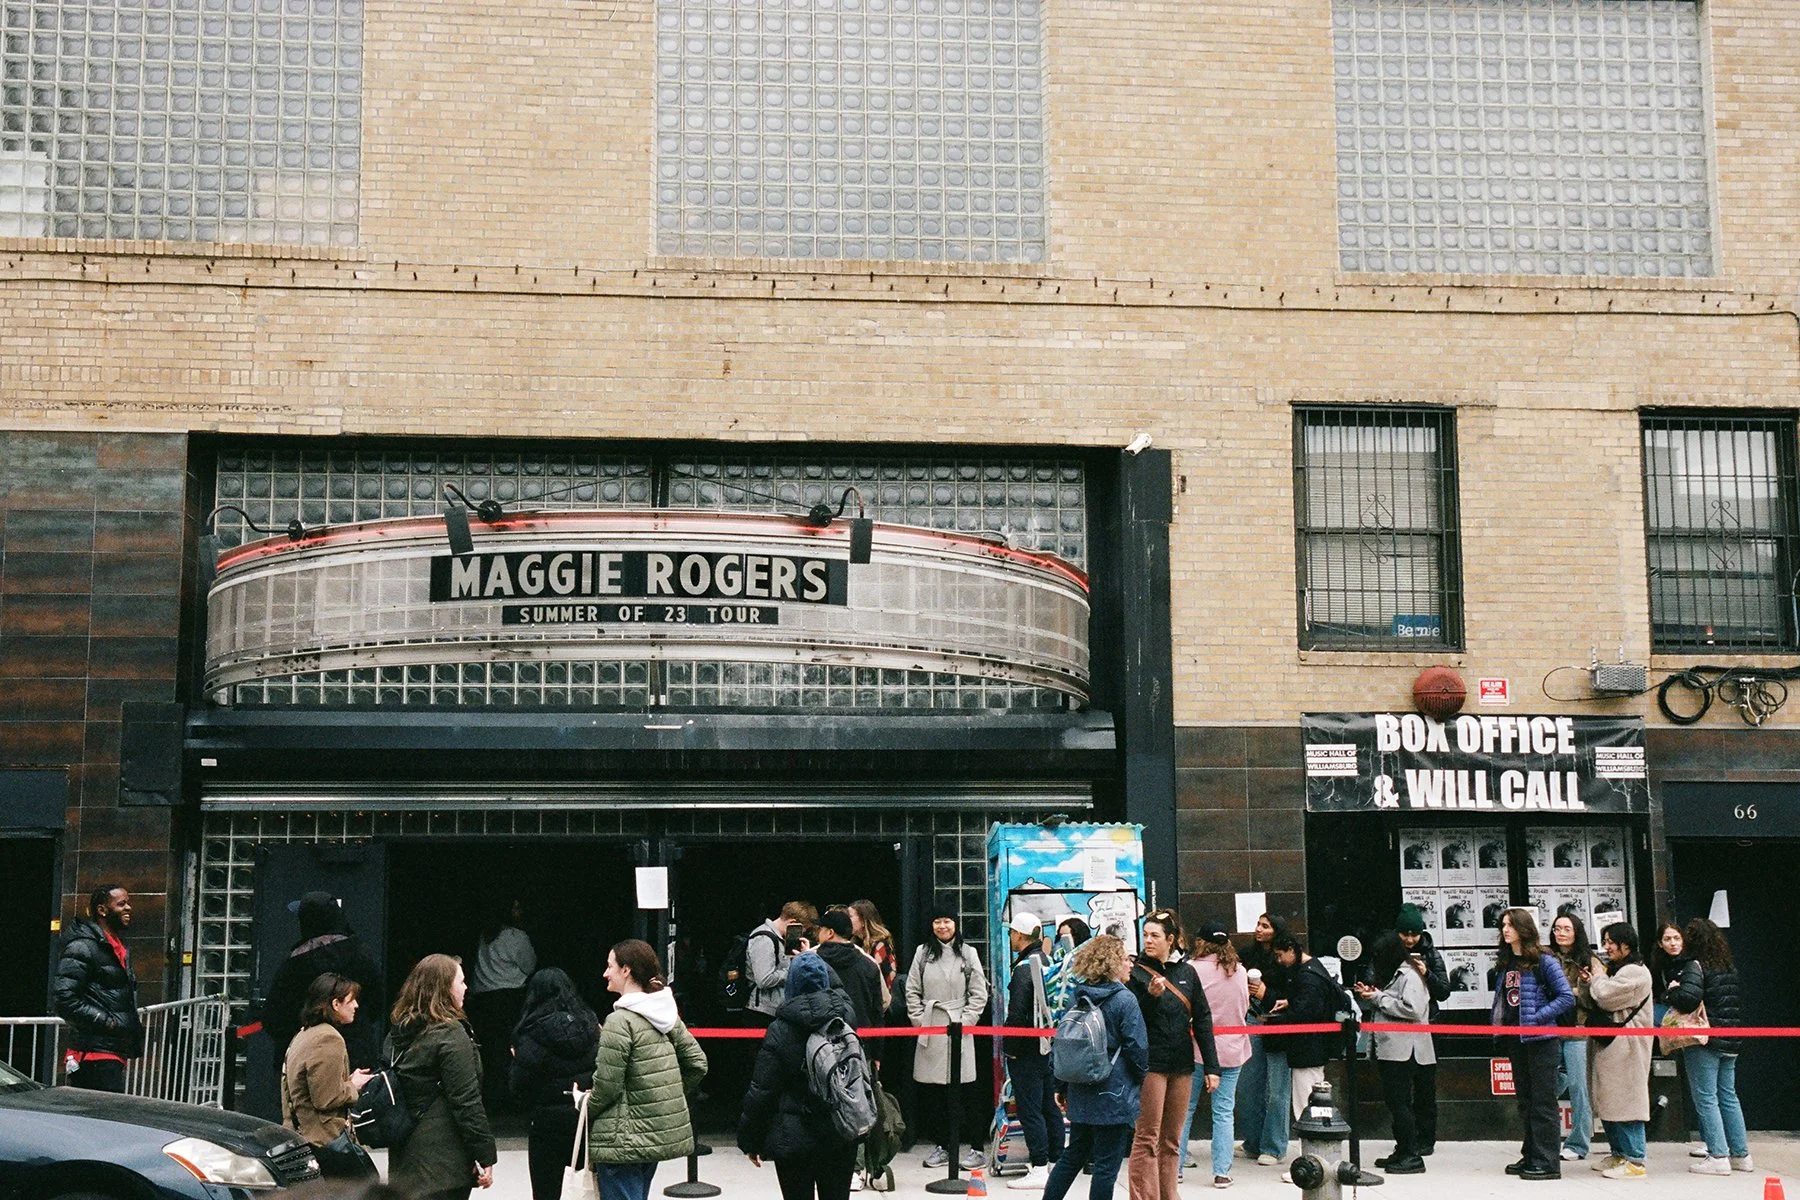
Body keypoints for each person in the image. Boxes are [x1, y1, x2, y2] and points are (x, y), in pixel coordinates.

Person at [589, 939, 708, 1200]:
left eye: (610, 966)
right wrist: (660, 1096)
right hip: (651, 1134)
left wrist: (584, 1108)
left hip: (620, 1138)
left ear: (626, 970)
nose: (605, 973)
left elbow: (607, 1086)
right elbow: (698, 1063)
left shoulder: (619, 1021)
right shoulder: (666, 1013)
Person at [739, 952, 861, 1200]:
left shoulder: (780, 1029)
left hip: (792, 1136)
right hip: (838, 1129)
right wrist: (816, 958)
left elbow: (762, 1090)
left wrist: (750, 1140)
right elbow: (837, 989)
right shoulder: (845, 1017)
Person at [1040, 935, 1148, 1200]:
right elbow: (1138, 1048)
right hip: (1114, 1091)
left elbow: (1064, 1044)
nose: (1130, 965)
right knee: (1106, 1167)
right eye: (1125, 959)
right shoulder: (1125, 1000)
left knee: (1073, 1155)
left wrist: (1061, 1086)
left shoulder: (1078, 998)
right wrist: (1139, 1079)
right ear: (1112, 964)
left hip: (1080, 1088)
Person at [1125, 909, 1219, 1200]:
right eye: (1145, 935)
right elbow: (1132, 1019)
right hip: (1150, 1063)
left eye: (1155, 935)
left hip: (1182, 1064)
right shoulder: (1136, 972)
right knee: (1147, 1137)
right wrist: (1150, 997)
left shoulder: (1187, 972)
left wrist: (1212, 1066)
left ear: (1172, 939)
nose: (1148, 941)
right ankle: (1144, 1196)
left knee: (1172, 1140)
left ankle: (1170, 1194)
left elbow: (1202, 1019)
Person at [386, 954, 498, 1200]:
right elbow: (466, 1100)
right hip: (444, 1164)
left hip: (405, 1161)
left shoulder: (398, 1033)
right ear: (444, 989)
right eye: (461, 981)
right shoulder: (450, 1034)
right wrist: (485, 1153)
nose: (466, 987)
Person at [905, 899, 990, 1171]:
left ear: (956, 924)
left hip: (959, 1027)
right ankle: (942, 1145)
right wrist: (920, 1020)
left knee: (966, 1090)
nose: (943, 926)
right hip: (932, 1026)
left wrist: (965, 1021)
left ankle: (976, 1147)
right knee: (934, 1093)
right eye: (938, 921)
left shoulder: (968, 953)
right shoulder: (922, 952)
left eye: (947, 921)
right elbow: (912, 990)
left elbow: (979, 993)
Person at [1492, 907, 1575, 1182]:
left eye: (1511, 925)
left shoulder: (1544, 960)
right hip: (1516, 1039)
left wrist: (1537, 1018)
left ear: (1524, 929)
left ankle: (1548, 1161)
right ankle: (1530, 1154)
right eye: (1503, 925)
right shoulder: (1506, 963)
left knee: (1543, 1102)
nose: (1505, 930)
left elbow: (1566, 997)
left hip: (1541, 1040)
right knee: (1526, 1101)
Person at [263, 891, 387, 1072]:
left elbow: (274, 1020)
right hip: (356, 1056)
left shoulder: (294, 965)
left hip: (305, 1059)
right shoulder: (360, 955)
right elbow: (376, 1004)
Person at [1669, 918, 1751, 1176]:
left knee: (1706, 1098)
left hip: (1704, 1039)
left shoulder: (1695, 966)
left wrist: (1673, 990)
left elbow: (1688, 999)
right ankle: (1741, 1154)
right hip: (1730, 1037)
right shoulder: (1727, 966)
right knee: (1728, 1095)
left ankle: (1718, 1155)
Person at [510, 968, 601, 1200]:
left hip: (546, 1122)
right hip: (586, 1117)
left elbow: (519, 1085)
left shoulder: (531, 1031)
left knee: (545, 1191)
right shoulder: (592, 1025)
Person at [1258, 928, 1342, 1174]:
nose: (1278, 960)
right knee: (1309, 1104)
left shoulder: (1308, 978)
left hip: (1308, 1049)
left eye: (1280, 954)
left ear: (1292, 951)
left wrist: (1273, 1021)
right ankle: (1316, 1159)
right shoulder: (1312, 969)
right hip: (1312, 1049)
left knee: (1306, 1107)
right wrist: (1291, 1002)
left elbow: (1305, 1015)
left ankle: (1314, 1162)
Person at [281, 973, 377, 1175]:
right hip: (325, 1141)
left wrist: (346, 1081)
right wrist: (354, 1085)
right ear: (335, 1004)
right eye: (351, 1000)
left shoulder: (304, 1034)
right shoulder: (329, 1038)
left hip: (304, 1137)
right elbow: (326, 1099)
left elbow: (310, 1087)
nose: (356, 1006)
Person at [53, 884, 143, 1093]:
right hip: (94, 1055)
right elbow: (64, 998)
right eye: (121, 904)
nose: (128, 908)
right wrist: (107, 1022)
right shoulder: (83, 947)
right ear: (102, 910)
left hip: (111, 1052)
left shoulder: (117, 946)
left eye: (128, 902)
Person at [1353, 935, 1431, 1176]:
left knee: (1400, 1103)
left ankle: (1412, 1154)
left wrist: (1377, 998)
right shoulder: (1397, 974)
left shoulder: (1410, 975)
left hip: (1406, 1049)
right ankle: (1402, 1148)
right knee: (1394, 1101)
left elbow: (1413, 1009)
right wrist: (1375, 994)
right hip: (1392, 1048)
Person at [1180, 920, 1249, 1190]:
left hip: (1196, 1048)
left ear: (1201, 942)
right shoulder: (1239, 971)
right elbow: (1243, 1006)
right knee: (1223, 1112)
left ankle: (1175, 1169)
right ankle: (1222, 1173)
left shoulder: (1192, 969)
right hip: (1232, 1048)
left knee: (1184, 1110)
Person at [1584, 922, 1654, 1180]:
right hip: (1614, 1045)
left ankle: (1636, 1160)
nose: (1606, 948)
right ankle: (1619, 1154)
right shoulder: (1622, 970)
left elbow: (1605, 995)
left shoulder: (1636, 973)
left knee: (1627, 1103)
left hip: (1627, 1048)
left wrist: (1598, 977)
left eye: (1610, 942)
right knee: (1610, 1102)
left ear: (1626, 944)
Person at [1002, 912, 1061, 1191]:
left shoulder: (1024, 968)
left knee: (1030, 1109)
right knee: (1049, 1106)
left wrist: (1010, 1048)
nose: (1011, 937)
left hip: (1026, 1050)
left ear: (1020, 935)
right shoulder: (1048, 961)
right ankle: (1054, 1162)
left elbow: (1017, 1013)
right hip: (1047, 1046)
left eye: (1012, 932)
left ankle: (1038, 1167)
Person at [1234, 912, 1292, 1167]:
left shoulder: (1285, 958)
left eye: (1265, 926)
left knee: (1277, 1089)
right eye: (1258, 924)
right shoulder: (1247, 954)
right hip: (1251, 1018)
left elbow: (1293, 993)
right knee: (1248, 1086)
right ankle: (1253, 1141)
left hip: (1278, 1023)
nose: (1259, 929)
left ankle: (1274, 1145)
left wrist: (1267, 992)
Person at [1547, 913, 1604, 1163]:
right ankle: (1546, 1136)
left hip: (1578, 1029)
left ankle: (1578, 1143)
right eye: (1557, 928)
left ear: (1576, 932)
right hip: (1550, 1027)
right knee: (1550, 1082)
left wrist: (1573, 992)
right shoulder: (1546, 957)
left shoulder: (1589, 960)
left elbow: (1600, 996)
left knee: (1580, 1087)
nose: (1561, 933)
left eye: (1566, 929)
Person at [468, 898, 536, 1108]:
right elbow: (530, 964)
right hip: (509, 999)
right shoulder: (516, 937)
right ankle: (509, 1098)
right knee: (510, 1050)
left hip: (483, 1000)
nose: (520, 910)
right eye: (515, 907)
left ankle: (490, 1097)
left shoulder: (485, 936)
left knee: (488, 1050)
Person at [1392, 903, 1448, 1157]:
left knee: (1425, 1088)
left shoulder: (1432, 954)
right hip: (1397, 1028)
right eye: (1405, 934)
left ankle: (1426, 1138)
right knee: (1399, 1090)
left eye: (1415, 934)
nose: (1410, 940)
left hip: (1426, 1028)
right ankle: (1405, 1139)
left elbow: (1444, 992)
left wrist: (1427, 974)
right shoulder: (1389, 952)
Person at [749, 901, 820, 1022]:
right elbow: (764, 979)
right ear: (792, 923)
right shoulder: (764, 939)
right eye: (802, 929)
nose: (802, 934)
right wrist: (795, 970)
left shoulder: (780, 939)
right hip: (762, 1012)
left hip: (774, 1009)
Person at [816, 909, 883, 1035]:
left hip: (820, 1042)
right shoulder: (869, 965)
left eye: (821, 929)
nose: (818, 934)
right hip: (861, 1040)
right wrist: (876, 1052)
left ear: (830, 933)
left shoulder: (812, 964)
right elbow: (877, 1013)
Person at [849, 900, 898, 996]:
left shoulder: (881, 945)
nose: (847, 920)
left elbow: (884, 979)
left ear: (863, 920)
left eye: (850, 916)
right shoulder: (854, 943)